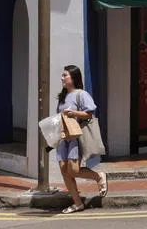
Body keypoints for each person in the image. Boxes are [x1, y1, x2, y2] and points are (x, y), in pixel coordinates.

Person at [56, 65, 107, 213]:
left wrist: (74, 113)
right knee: (64, 170)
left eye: (65, 75)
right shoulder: (62, 96)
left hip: (74, 136)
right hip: (62, 137)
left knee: (74, 170)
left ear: (73, 78)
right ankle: (77, 203)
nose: (62, 78)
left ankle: (98, 176)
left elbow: (89, 114)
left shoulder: (81, 94)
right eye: (62, 75)